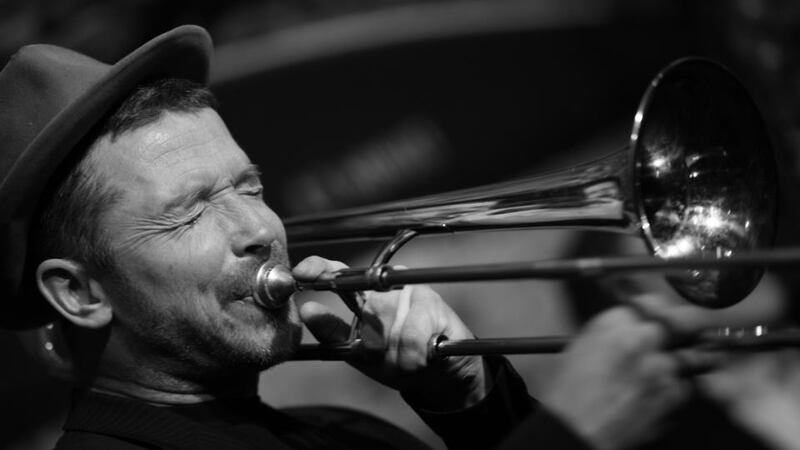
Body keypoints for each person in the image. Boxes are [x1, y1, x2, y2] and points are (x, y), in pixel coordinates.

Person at [0, 25, 704, 450]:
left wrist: (473, 405)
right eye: (188, 212)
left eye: (248, 186)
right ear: (79, 292)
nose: (259, 230)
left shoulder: (345, 434)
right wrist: (572, 437)